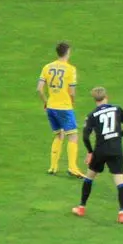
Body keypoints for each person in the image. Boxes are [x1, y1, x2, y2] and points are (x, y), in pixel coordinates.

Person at [72, 87, 123, 224]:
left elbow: (86, 136)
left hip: (101, 150)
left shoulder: (92, 115)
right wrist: (118, 136)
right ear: (107, 97)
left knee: (89, 178)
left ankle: (81, 207)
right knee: (120, 181)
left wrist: (90, 151)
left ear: (94, 99)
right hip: (116, 149)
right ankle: (122, 213)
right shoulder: (117, 109)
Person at [35, 41, 83, 177]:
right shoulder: (70, 69)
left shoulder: (47, 67)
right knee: (73, 136)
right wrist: (72, 103)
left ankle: (53, 167)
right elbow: (72, 92)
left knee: (58, 134)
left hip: (51, 106)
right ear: (67, 52)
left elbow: (39, 89)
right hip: (64, 107)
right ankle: (72, 167)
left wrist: (46, 102)